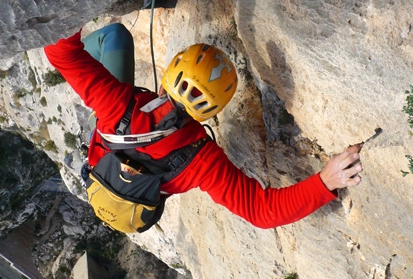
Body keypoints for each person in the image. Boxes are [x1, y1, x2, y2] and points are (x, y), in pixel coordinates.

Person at [44, 23, 363, 229]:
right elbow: (260, 212)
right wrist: (326, 180)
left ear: (166, 79)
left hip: (113, 138)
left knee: (115, 35)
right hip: (114, 180)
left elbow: (59, 51)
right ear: (212, 111)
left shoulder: (116, 105)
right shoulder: (201, 161)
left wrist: (79, 1)